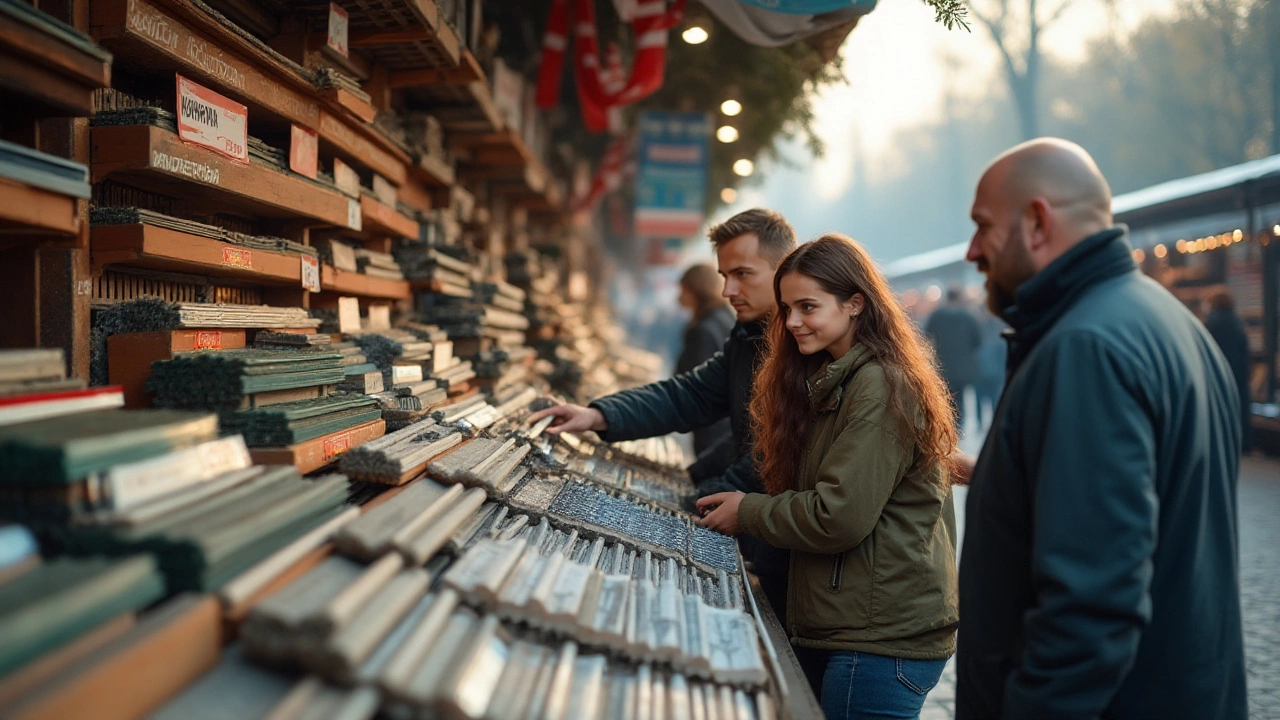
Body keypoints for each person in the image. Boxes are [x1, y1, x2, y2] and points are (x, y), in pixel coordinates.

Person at [957, 138, 1247, 719]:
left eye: (983, 226)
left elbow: (1088, 607)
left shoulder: (1085, 348)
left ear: (1037, 222)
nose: (972, 251)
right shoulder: (1167, 321)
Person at [696, 234, 960, 719]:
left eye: (808, 307)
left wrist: (748, 511)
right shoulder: (840, 375)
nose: (792, 322)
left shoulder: (878, 384)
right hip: (859, 627)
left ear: (855, 303)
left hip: (878, 639)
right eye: (787, 308)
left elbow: (839, 515)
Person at [528, 208, 799, 626]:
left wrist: (698, 500)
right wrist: (599, 414)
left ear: (784, 270)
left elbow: (785, 447)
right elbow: (686, 394)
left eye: (742, 274)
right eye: (724, 275)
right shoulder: (746, 337)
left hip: (801, 555)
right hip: (772, 544)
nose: (728, 289)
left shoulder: (804, 346)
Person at [676, 263, 737, 455]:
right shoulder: (727, 317)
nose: (679, 296)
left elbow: (692, 384)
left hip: (712, 430)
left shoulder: (703, 330)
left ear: (695, 290)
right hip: (727, 425)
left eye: (683, 289)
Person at [924, 286, 981, 433]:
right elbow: (978, 341)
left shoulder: (937, 316)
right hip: (963, 369)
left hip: (943, 367)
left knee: (946, 400)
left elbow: (926, 337)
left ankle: (948, 428)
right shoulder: (968, 317)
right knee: (961, 401)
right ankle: (959, 429)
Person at [1204, 289, 1253, 452]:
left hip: (1218, 372)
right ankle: (1244, 443)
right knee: (1240, 407)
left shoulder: (1212, 321)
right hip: (1238, 371)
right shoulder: (1236, 320)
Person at [972, 312, 1007, 432]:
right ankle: (991, 423)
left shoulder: (979, 329)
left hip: (982, 373)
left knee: (980, 401)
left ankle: (980, 423)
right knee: (993, 401)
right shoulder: (999, 332)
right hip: (993, 374)